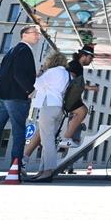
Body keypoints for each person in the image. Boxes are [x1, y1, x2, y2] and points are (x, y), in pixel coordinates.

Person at [0, 24, 41, 183]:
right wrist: (29, 90)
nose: (38, 36)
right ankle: (15, 171)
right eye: (35, 33)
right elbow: (18, 73)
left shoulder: (11, 51)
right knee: (18, 133)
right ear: (24, 34)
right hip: (16, 98)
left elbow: (6, 74)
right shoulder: (25, 50)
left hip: (1, 98)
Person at [22, 44, 98, 159]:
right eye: (91, 57)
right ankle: (66, 138)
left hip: (59, 101)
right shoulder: (75, 65)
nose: (91, 60)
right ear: (83, 56)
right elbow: (70, 81)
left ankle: (25, 157)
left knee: (44, 132)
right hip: (61, 100)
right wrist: (89, 88)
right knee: (82, 111)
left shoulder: (76, 66)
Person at [29, 52, 71, 182]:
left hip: (48, 105)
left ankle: (48, 171)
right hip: (59, 107)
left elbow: (36, 84)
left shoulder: (52, 72)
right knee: (49, 139)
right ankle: (42, 170)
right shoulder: (66, 73)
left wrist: (41, 72)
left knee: (47, 140)